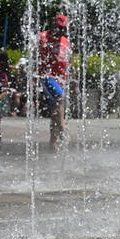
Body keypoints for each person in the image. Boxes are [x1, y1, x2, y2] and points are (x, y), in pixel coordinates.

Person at [37, 14, 71, 152]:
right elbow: (34, 56)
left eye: (63, 29)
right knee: (60, 98)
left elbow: (69, 62)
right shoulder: (42, 37)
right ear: (52, 25)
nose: (61, 31)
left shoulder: (66, 41)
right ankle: (62, 128)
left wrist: (72, 81)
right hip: (47, 76)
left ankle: (53, 144)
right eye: (58, 28)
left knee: (55, 112)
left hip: (61, 79)